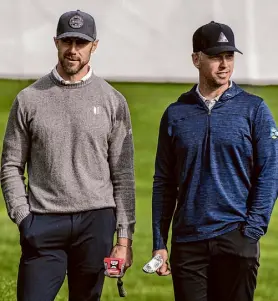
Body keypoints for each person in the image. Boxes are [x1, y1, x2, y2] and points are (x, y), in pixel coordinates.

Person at [0, 9, 135, 301]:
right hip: (43, 221)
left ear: (94, 46)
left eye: (81, 43)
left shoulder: (113, 101)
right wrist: (23, 217)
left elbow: (123, 175)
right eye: (67, 41)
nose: (73, 50)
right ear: (56, 42)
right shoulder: (29, 99)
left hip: (95, 222)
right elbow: (11, 165)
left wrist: (124, 238)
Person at [152, 21, 278, 301]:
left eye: (229, 56)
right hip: (188, 242)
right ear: (196, 59)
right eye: (216, 56)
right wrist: (160, 243)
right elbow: (164, 182)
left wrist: (252, 231)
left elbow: (270, 172)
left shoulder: (254, 109)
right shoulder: (175, 114)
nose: (224, 64)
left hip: (236, 238)